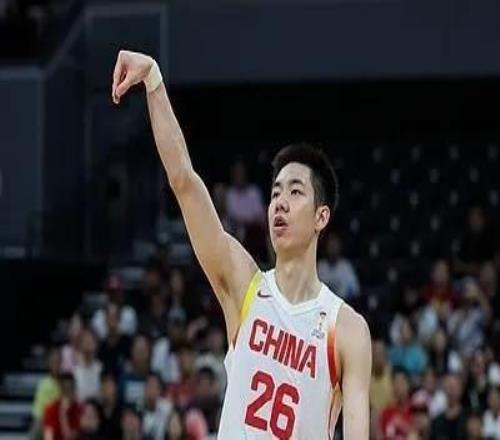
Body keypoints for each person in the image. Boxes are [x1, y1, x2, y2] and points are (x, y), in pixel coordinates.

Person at [111, 50, 371, 438]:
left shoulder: (346, 329)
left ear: (321, 217)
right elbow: (184, 181)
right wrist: (154, 81)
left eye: (295, 192)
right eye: (275, 192)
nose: (279, 202)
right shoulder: (245, 286)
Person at [42, 373, 82, 440]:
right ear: (59, 389)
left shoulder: (79, 409)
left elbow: (71, 437)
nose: (67, 393)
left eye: (69, 389)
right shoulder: (50, 409)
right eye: (64, 389)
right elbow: (48, 437)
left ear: (74, 390)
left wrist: (63, 415)